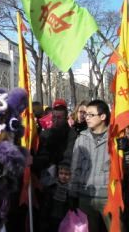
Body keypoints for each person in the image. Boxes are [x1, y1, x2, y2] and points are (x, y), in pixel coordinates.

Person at [68, 99, 124, 232]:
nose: (86, 118)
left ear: (103, 116)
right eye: (86, 114)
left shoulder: (116, 137)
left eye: (90, 115)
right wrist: (72, 193)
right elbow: (75, 168)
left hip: (110, 197)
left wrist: (126, 151)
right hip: (86, 197)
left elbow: (124, 166)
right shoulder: (81, 138)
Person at [39, 161, 71, 232]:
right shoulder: (52, 187)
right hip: (51, 218)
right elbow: (46, 205)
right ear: (58, 174)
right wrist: (44, 220)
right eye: (61, 173)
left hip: (64, 220)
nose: (63, 176)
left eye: (66, 174)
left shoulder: (71, 190)